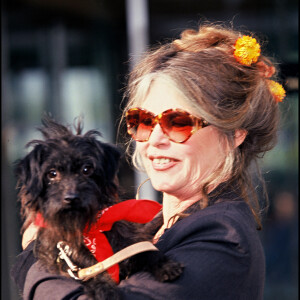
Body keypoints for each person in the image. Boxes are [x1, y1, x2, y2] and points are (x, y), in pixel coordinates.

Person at [11, 22, 286, 299]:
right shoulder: (152, 227)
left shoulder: (222, 238)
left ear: (234, 134)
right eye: (142, 121)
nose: (154, 140)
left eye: (178, 122)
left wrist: (35, 258)